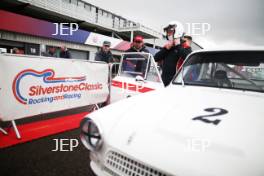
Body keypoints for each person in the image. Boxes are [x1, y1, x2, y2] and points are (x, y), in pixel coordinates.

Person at [154, 21, 192, 86]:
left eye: (170, 32)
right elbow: (155, 58)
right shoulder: (168, 47)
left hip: (177, 83)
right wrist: (166, 49)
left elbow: (188, 59)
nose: (168, 34)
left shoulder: (186, 47)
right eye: (167, 32)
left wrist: (178, 45)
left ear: (177, 32)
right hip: (164, 82)